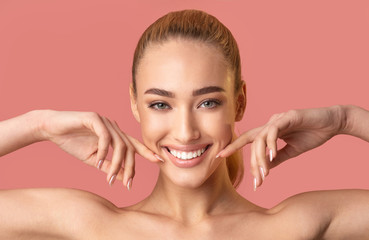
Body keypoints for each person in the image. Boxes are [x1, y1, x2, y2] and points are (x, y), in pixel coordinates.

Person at [1, 9, 368, 239]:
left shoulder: (297, 226)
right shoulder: (90, 226)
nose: (185, 131)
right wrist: (39, 125)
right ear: (134, 104)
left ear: (239, 102)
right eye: (160, 104)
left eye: (208, 102)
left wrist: (346, 119)